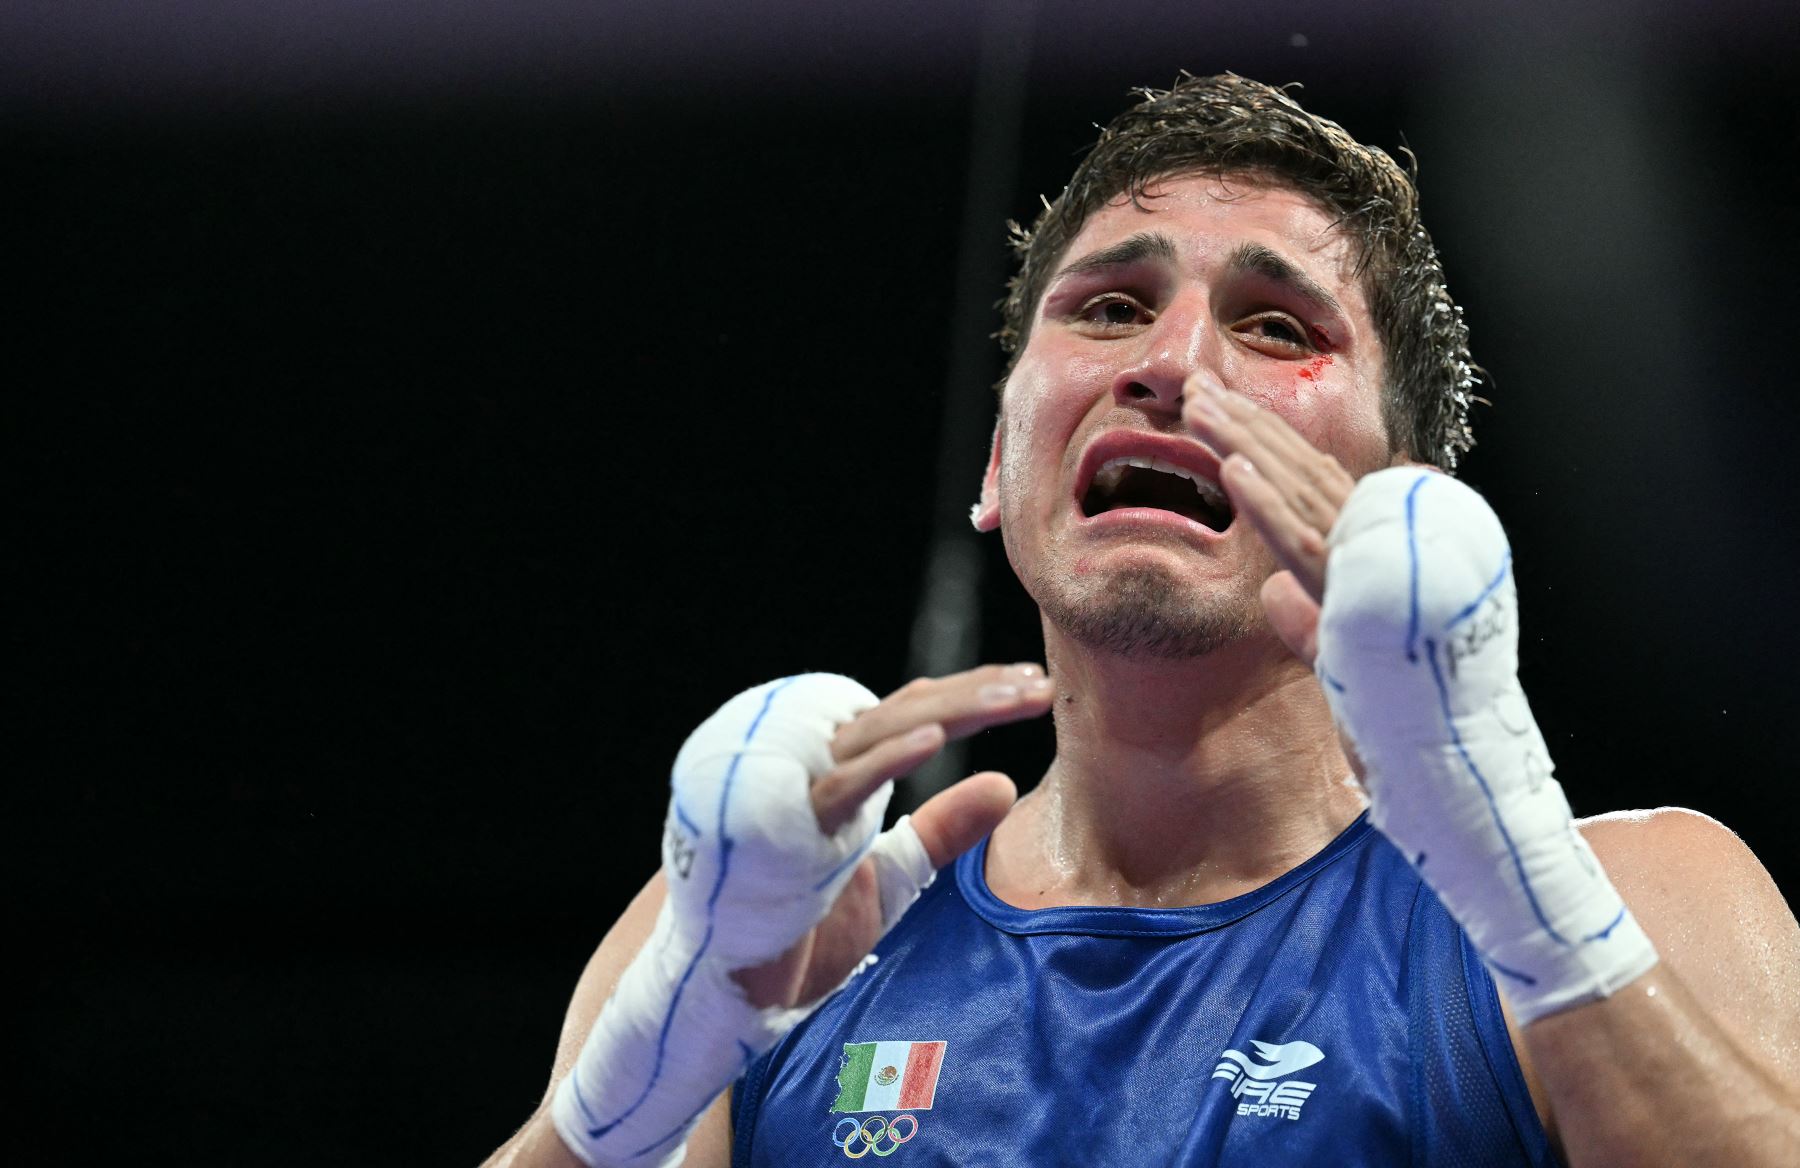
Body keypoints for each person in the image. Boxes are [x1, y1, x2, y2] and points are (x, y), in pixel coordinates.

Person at [482, 74, 1800, 1167]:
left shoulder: (1645, 899)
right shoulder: (759, 932)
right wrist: (644, 1076)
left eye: (1277, 327)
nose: (1168, 368)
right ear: (1003, 465)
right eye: (1110, 307)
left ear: (1404, 515)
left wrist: (1531, 898)